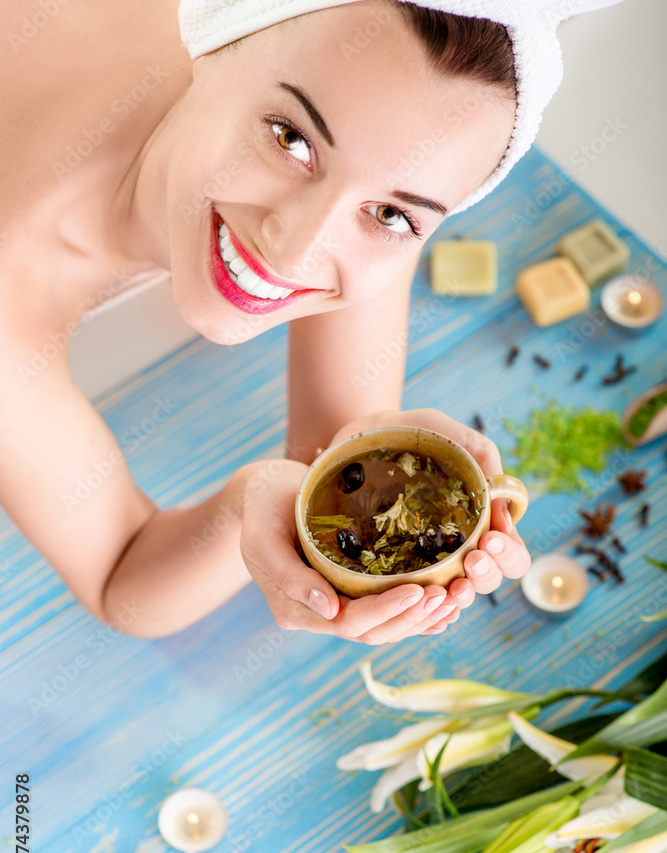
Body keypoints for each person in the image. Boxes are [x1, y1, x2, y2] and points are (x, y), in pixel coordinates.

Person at [0, 0, 616, 642]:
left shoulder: (367, 107)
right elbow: (119, 581)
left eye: (391, 215)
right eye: (290, 140)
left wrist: (255, 496)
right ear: (210, 41)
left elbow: (329, 460)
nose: (294, 250)